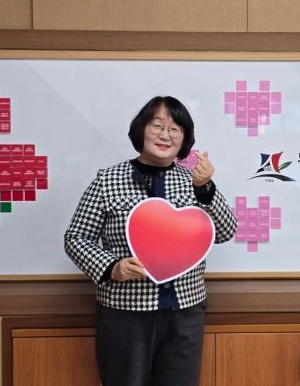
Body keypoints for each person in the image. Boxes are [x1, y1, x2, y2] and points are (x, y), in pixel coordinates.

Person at [64, 96, 237, 386]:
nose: (165, 135)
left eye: (175, 129)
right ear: (141, 129)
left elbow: (225, 231)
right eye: (157, 126)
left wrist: (205, 188)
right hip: (125, 313)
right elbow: (76, 237)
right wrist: (112, 267)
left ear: (184, 139)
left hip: (185, 311)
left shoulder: (194, 182)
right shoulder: (107, 181)